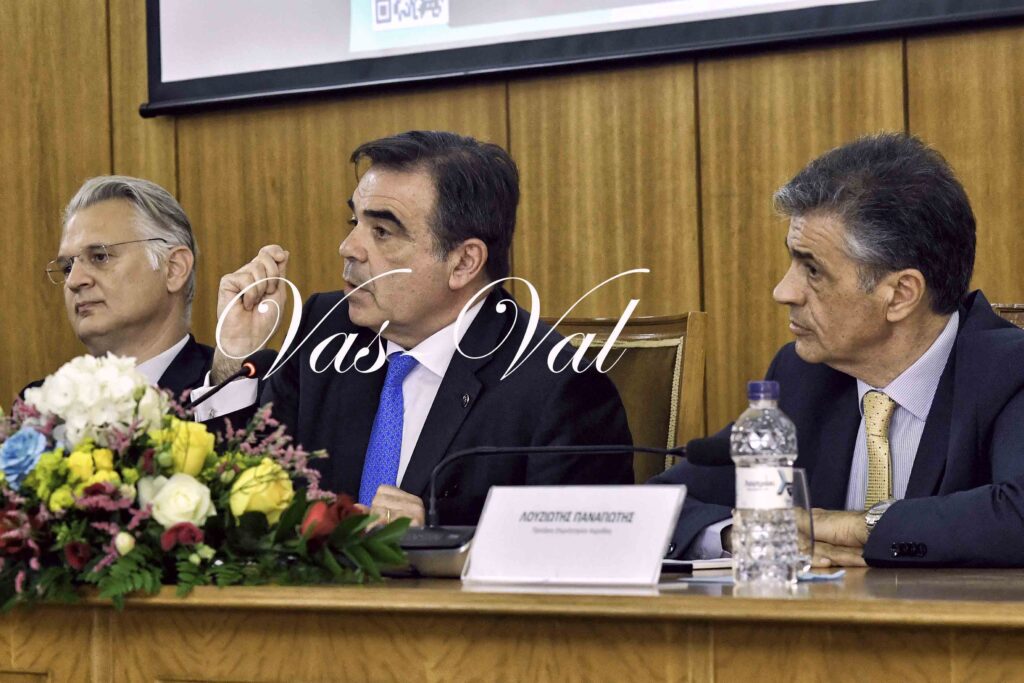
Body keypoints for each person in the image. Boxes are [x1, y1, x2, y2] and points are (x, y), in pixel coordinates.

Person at [202, 130, 633, 526]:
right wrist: (232, 354)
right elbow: (237, 493)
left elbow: (579, 557)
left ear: (463, 263)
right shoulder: (326, 329)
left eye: (382, 231)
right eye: (355, 223)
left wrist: (437, 540)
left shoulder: (557, 387)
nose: (348, 248)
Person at [654, 132, 1024, 567]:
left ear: (900, 294)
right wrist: (741, 534)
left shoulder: (1008, 372)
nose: (783, 291)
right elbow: (659, 502)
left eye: (813, 270)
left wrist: (861, 526)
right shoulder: (802, 377)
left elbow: (1016, 513)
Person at [28, 176, 211, 400]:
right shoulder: (40, 404)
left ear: (173, 269)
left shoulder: (231, 387)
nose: (74, 281)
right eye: (67, 267)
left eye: (100, 257)